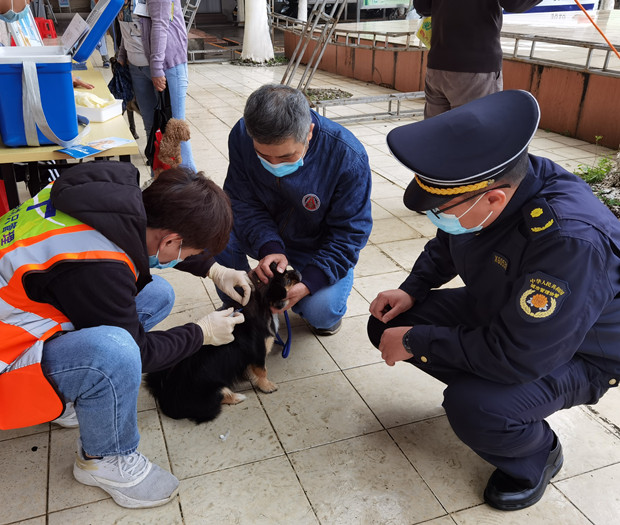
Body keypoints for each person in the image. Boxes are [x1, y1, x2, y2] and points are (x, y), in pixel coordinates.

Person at [0, 161, 254, 509]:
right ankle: (104, 459)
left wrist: (214, 269)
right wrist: (201, 333)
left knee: (157, 294)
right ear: (171, 240)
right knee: (117, 353)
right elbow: (138, 353)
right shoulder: (97, 266)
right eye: (192, 252)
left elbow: (146, 247)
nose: (190, 258)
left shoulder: (104, 193)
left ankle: (73, 392)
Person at [367, 90, 620, 511]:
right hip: (503, 308)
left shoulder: (568, 241)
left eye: (440, 209)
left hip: (581, 351)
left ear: (493, 199)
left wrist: (419, 342)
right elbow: (449, 240)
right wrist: (412, 288)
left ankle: (536, 454)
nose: (437, 217)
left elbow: (521, 354)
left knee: (475, 406)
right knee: (387, 323)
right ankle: (495, 395)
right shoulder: (495, 185)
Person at [215, 84, 373, 336]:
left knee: (323, 312)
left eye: (287, 157)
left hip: (314, 246)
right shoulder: (242, 134)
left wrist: (309, 282)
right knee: (215, 226)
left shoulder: (346, 156)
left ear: (309, 132)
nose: (273, 165)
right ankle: (240, 298)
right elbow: (242, 201)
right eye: (263, 156)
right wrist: (269, 246)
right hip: (263, 233)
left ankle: (317, 300)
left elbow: (349, 234)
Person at [413, 0, 541, 118]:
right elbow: (514, 3)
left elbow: (422, 6)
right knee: (473, 136)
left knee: (434, 135)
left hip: (437, 65)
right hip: (475, 69)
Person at [139, 0, 196, 170]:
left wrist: (156, 68)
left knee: (176, 130)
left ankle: (190, 184)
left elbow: (160, 24)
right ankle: (160, 181)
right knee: (153, 128)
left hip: (167, 63)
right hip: (141, 65)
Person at [117, 0, 158, 141]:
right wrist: (121, 55)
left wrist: (157, 67)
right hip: (134, 66)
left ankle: (168, 159)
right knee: (147, 118)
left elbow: (160, 28)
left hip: (154, 66)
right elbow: (126, 30)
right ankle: (152, 156)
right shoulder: (121, 3)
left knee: (164, 118)